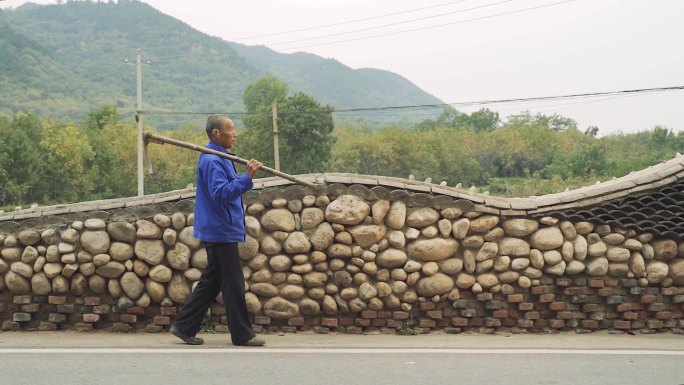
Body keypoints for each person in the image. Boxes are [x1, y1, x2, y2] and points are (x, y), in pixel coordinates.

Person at [170, 114, 265, 347]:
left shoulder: (221, 157)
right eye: (230, 130)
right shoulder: (212, 161)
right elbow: (221, 194)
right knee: (233, 283)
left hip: (220, 228)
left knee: (212, 281)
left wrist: (244, 178)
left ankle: (183, 326)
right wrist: (247, 177)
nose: (235, 134)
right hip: (219, 230)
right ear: (216, 134)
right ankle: (242, 335)